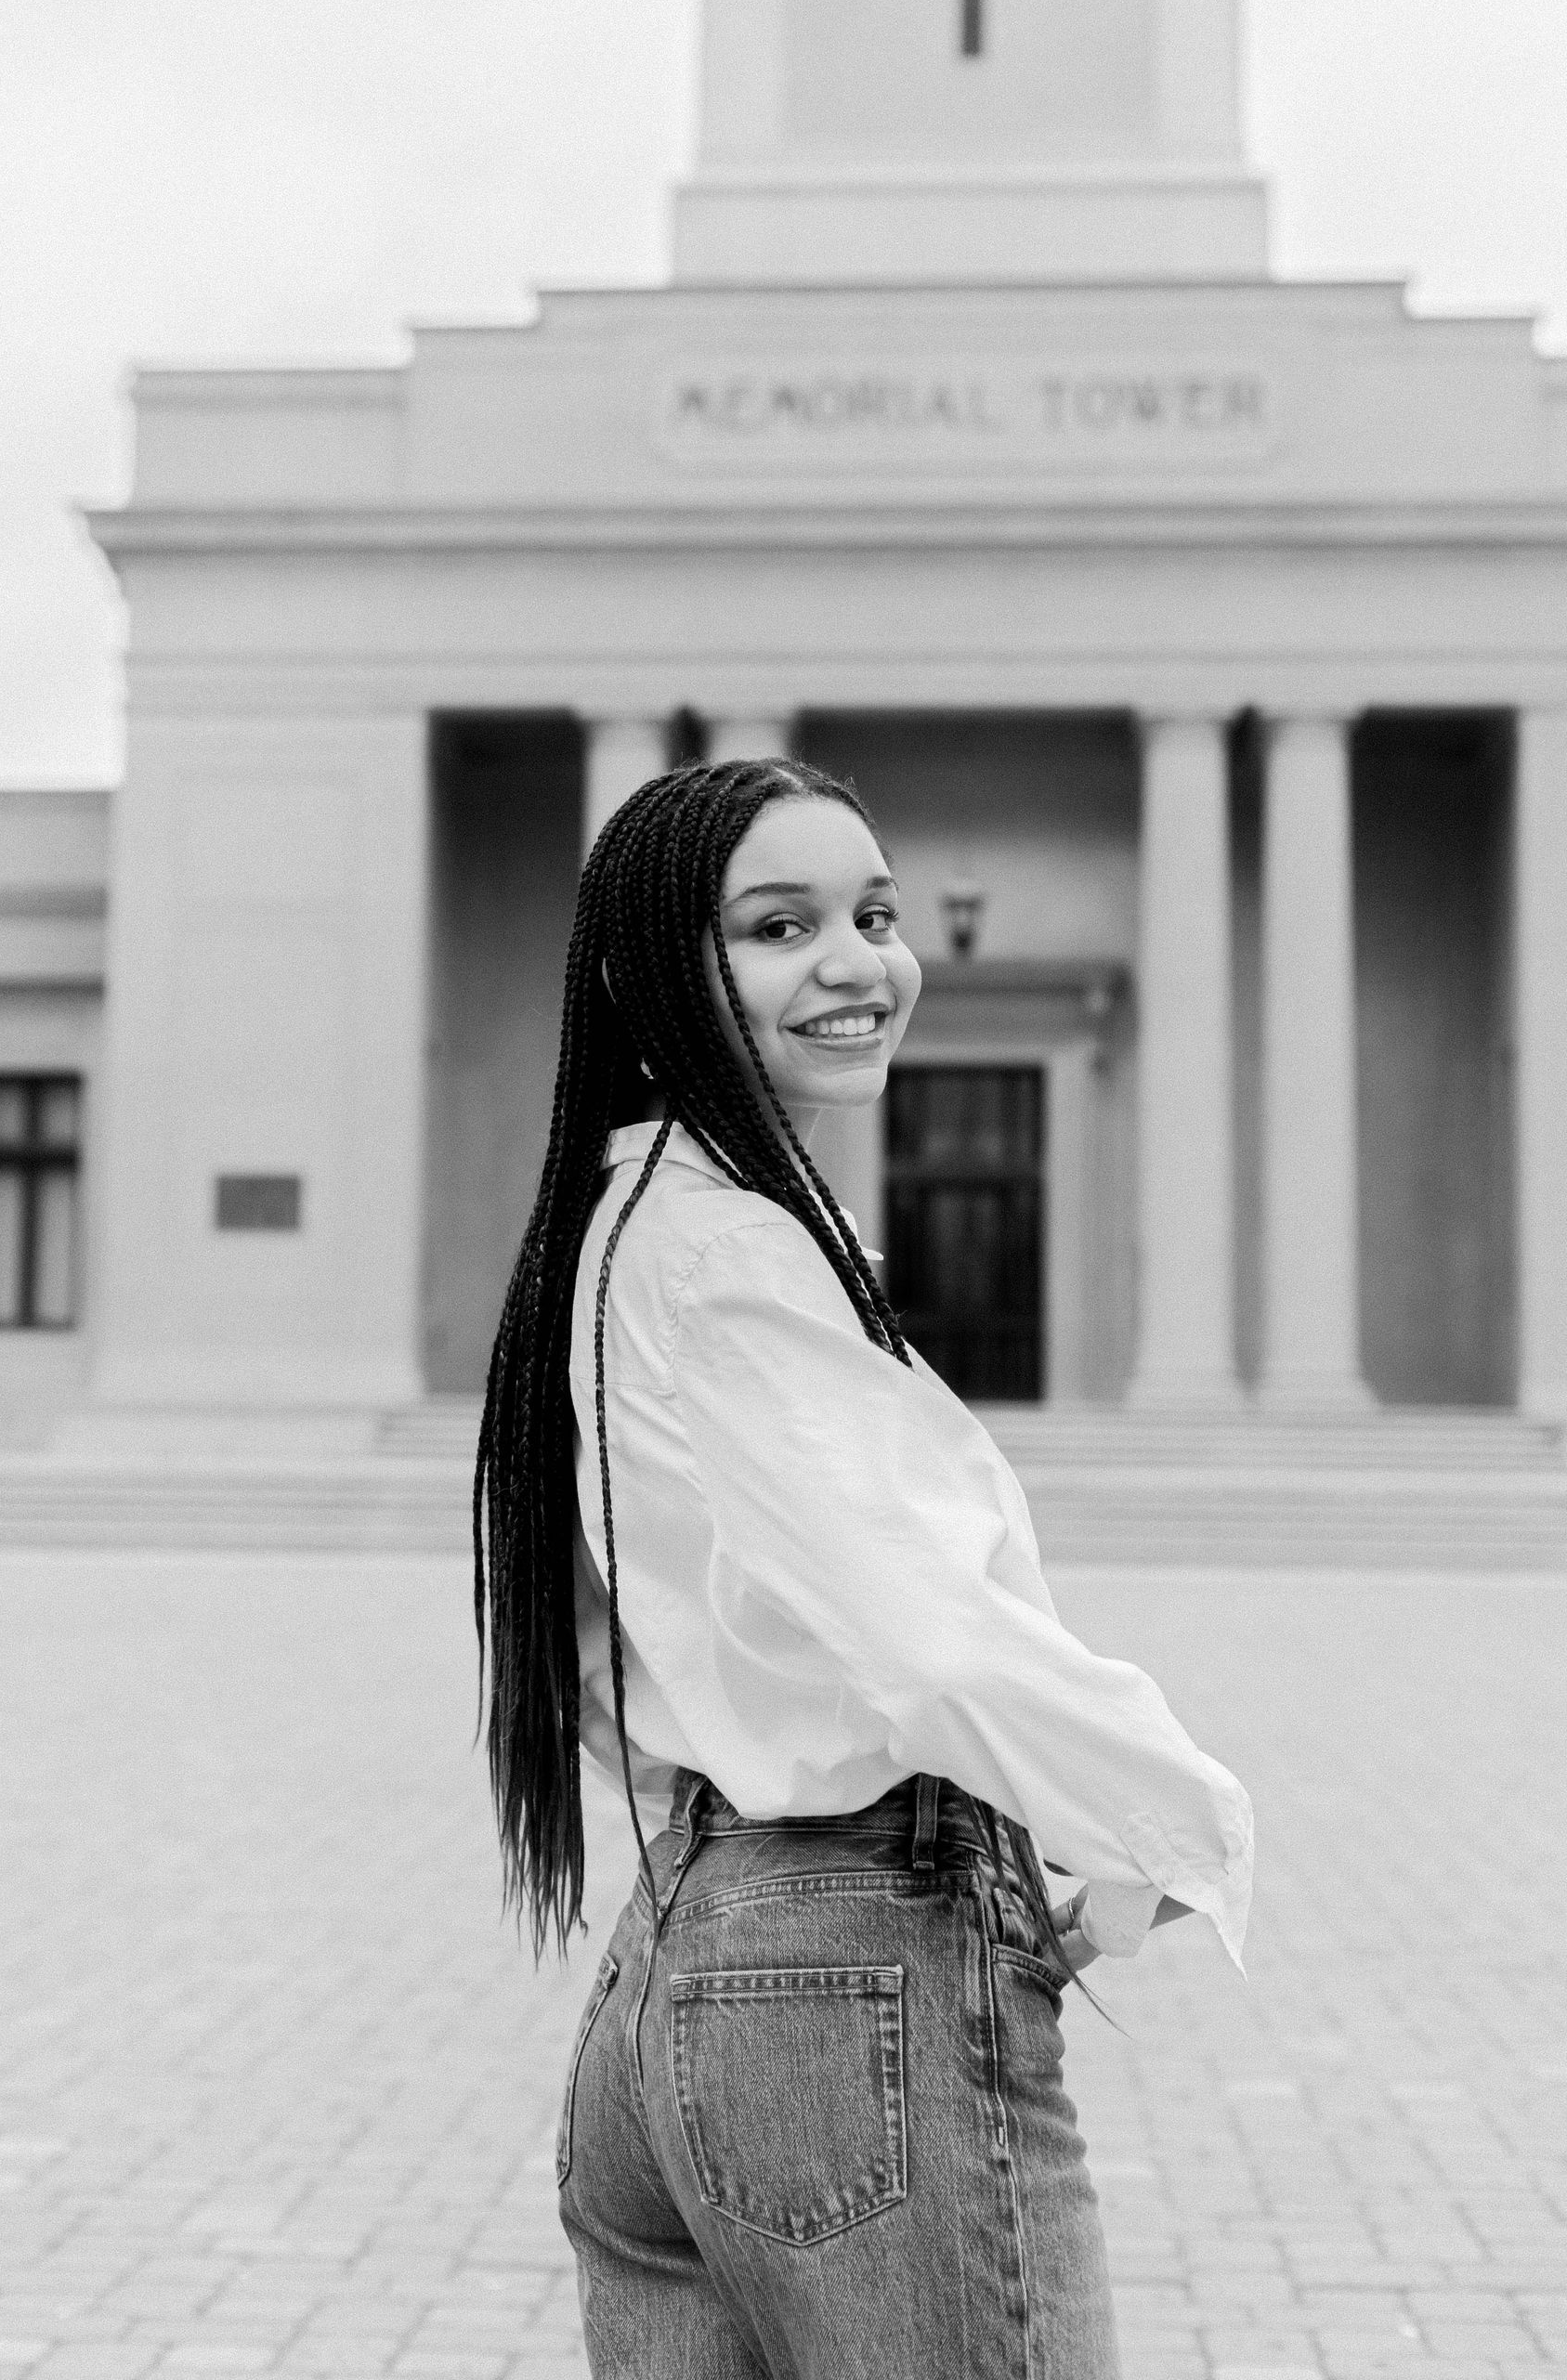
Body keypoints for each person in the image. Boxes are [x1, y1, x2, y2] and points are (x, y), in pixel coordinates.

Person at [474, 753, 1252, 2378]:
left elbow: (618, 1630)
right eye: (780, 924)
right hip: (845, 1975)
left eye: (876, 912)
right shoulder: (733, 1256)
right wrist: (1167, 1820)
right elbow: (937, 1643)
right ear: (647, 974)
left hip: (686, 1952)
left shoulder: (627, 1225)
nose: (859, 960)